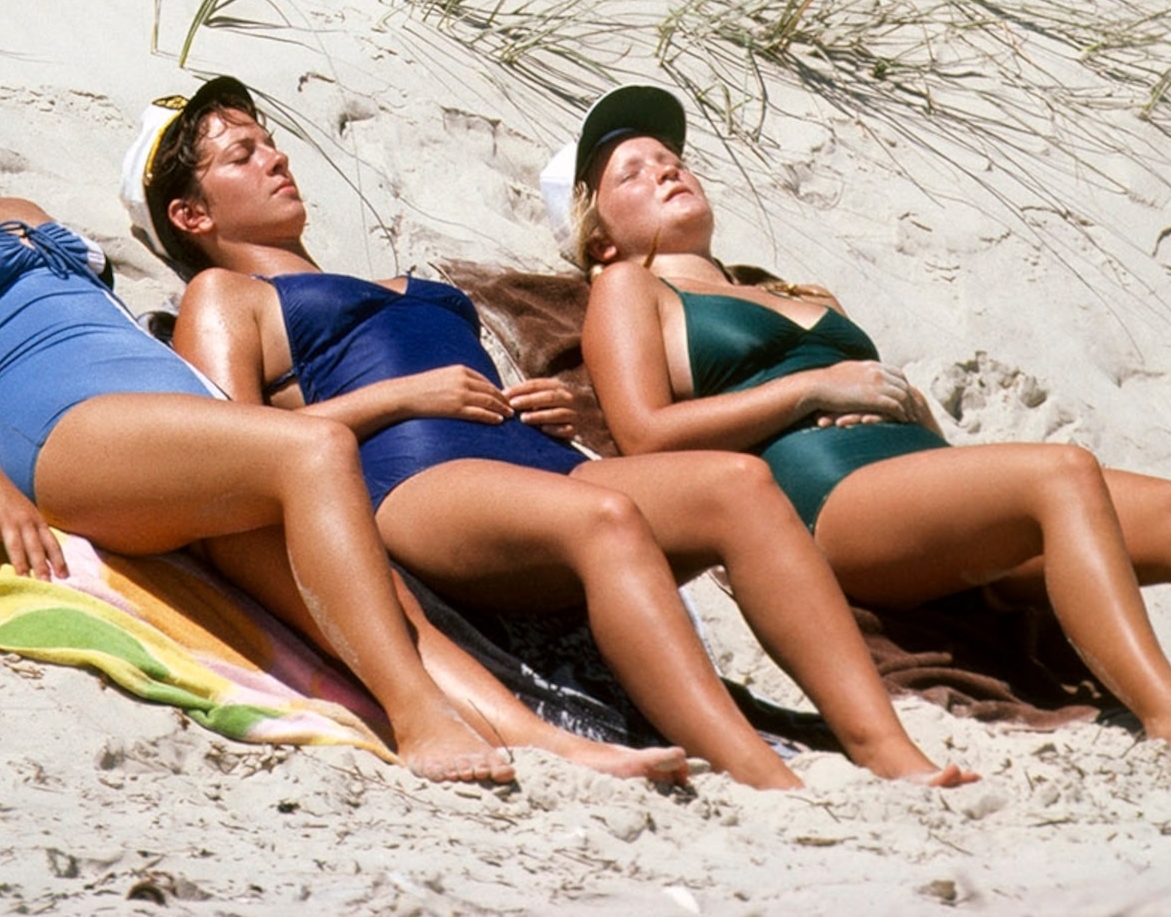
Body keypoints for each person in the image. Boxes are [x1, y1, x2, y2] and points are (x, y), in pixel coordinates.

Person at [145, 76, 976, 790]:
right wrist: (402, 397)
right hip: (415, 480)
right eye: (242, 155)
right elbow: (234, 451)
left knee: (738, 488)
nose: (277, 159)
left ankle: (884, 747)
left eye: (270, 143)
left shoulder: (397, 282)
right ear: (191, 212)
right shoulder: (225, 296)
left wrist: (564, 414)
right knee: (604, 522)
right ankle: (761, 772)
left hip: (524, 458)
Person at [0, 35, 522, 784]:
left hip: (163, 416)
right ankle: (421, 723)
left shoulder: (11, 200)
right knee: (311, 453)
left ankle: (546, 742)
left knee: (370, 587)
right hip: (58, 421)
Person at [563, 83, 1171, 765]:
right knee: (1060, 470)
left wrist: (905, 405)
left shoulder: (796, 290)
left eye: (671, 158)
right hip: (829, 502)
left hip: (918, 483)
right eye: (633, 174)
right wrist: (810, 390)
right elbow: (643, 434)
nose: (666, 169)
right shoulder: (633, 292)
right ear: (600, 236)